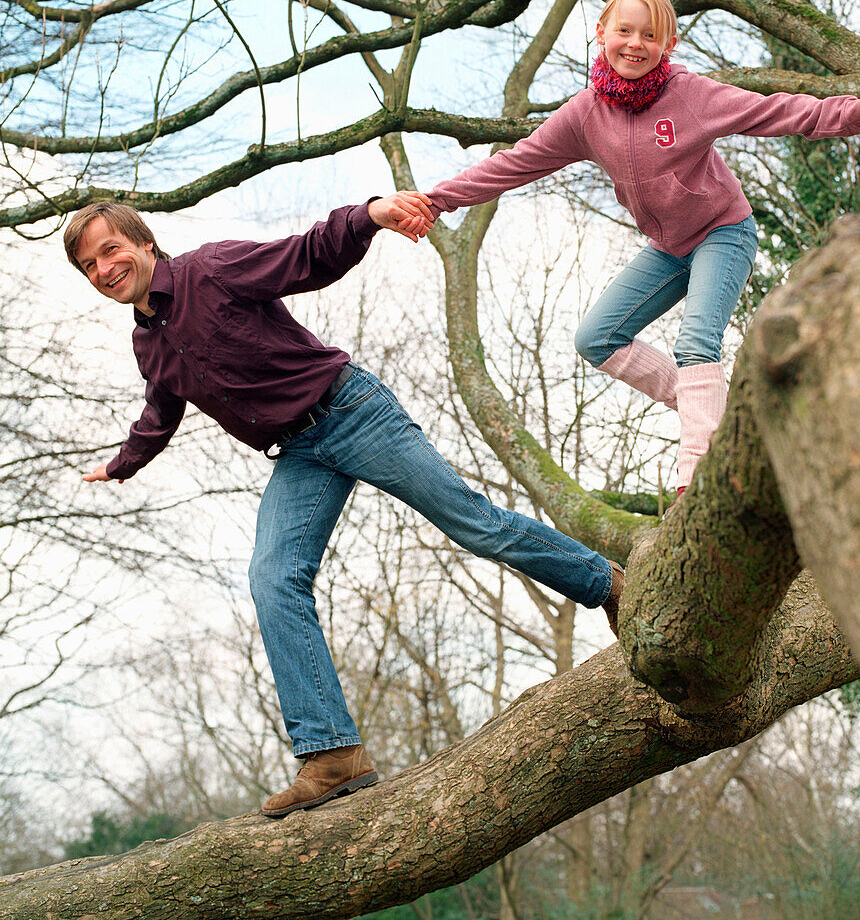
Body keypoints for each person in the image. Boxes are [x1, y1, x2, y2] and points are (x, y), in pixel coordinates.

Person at [66, 194, 624, 818]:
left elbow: (301, 256)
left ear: (144, 244)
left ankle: (607, 585)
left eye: (109, 250)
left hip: (352, 414)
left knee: (475, 525)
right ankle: (332, 754)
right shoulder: (149, 344)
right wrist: (123, 463)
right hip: (299, 454)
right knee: (273, 579)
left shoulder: (210, 269)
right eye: (89, 266)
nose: (103, 269)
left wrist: (370, 215)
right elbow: (161, 408)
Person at [412, 0, 860, 493]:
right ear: (601, 33)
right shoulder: (585, 115)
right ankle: (717, 409)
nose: (635, 44)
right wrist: (436, 200)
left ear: (667, 44)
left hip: (722, 232)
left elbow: (771, 111)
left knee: (695, 342)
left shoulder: (690, 95)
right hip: (668, 249)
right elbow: (516, 163)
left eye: (650, 35)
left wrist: (855, 112)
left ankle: (697, 469)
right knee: (595, 338)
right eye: (624, 30)